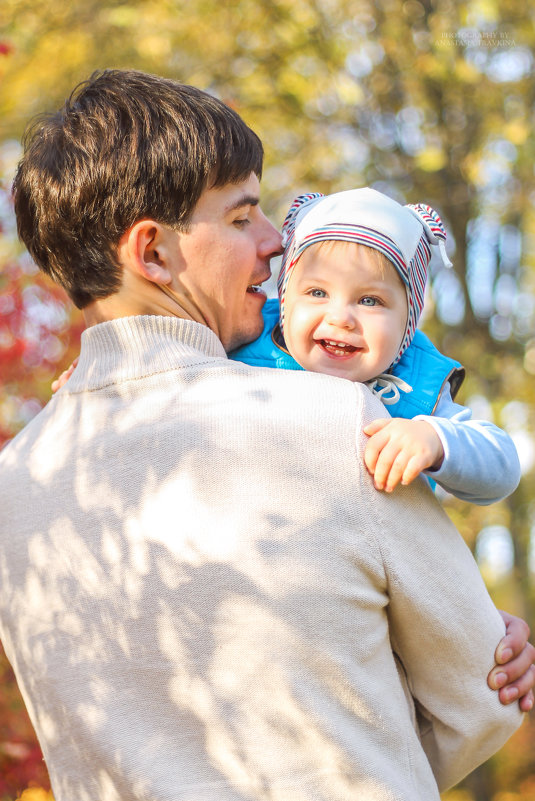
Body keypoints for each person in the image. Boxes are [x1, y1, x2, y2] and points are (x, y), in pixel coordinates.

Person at [1, 69, 533, 801]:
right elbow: (483, 690)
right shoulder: (332, 422)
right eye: (242, 214)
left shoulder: (15, 482)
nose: (277, 240)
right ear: (153, 253)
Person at [230, 188, 521, 503]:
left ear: (407, 323)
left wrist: (435, 440)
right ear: (285, 300)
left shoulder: (415, 387)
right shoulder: (247, 339)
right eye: (317, 293)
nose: (341, 318)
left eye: (369, 300)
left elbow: (502, 465)